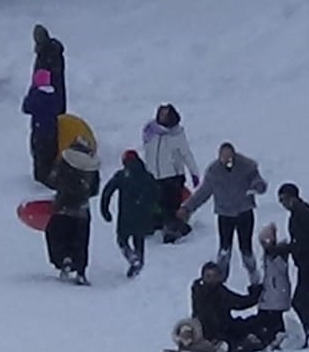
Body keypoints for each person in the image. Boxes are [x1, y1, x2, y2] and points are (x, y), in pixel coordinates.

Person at [179, 142, 268, 288]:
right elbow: (203, 193)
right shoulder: (214, 172)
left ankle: (253, 274)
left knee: (246, 248)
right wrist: (187, 207)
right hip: (225, 214)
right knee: (224, 249)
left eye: (229, 158)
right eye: (224, 158)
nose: (227, 161)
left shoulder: (247, 166)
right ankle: (220, 278)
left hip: (244, 212)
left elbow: (258, 181)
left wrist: (258, 186)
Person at [45, 142, 100, 285]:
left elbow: (52, 179)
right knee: (81, 241)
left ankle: (64, 259)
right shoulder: (92, 164)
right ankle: (81, 271)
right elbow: (95, 189)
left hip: (62, 207)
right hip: (82, 210)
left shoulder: (65, 159)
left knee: (57, 235)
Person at [277, 183, 309, 341]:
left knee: (301, 301)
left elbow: (306, 239)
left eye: (283, 199)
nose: (282, 203)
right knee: (303, 300)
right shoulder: (301, 212)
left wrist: (287, 248)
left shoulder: (301, 213)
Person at [141, 104, 198, 240]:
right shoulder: (151, 132)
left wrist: (194, 172)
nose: (162, 116)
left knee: (170, 205)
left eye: (166, 114)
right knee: (157, 203)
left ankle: (172, 231)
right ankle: (159, 225)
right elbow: (148, 153)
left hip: (173, 176)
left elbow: (186, 154)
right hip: (155, 175)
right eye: (161, 113)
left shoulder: (177, 134)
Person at [101, 149, 158, 278]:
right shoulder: (147, 175)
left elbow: (107, 192)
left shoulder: (121, 175)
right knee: (139, 240)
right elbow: (157, 194)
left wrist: (105, 210)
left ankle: (132, 258)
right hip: (143, 215)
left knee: (122, 240)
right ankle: (139, 262)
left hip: (126, 215)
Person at [190, 261, 265, 352]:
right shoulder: (200, 292)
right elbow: (206, 317)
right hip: (211, 334)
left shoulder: (220, 291)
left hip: (225, 327)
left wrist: (256, 292)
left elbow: (240, 302)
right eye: (208, 276)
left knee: (251, 323)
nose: (212, 280)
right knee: (233, 344)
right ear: (203, 277)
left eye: (215, 276)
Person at [253, 223, 293, 349]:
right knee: (270, 317)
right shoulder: (269, 255)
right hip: (271, 294)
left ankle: (273, 337)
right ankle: (272, 336)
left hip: (276, 293)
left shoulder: (277, 255)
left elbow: (279, 271)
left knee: (273, 317)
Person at [22, 69, 63, 185]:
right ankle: (50, 174)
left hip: (39, 130)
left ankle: (40, 178)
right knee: (50, 152)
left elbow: (26, 107)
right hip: (53, 129)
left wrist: (30, 93)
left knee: (39, 153)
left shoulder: (36, 95)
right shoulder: (54, 94)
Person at [32, 24, 67, 113]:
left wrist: (33, 96)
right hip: (55, 98)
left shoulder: (47, 54)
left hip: (48, 101)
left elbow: (42, 79)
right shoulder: (51, 51)